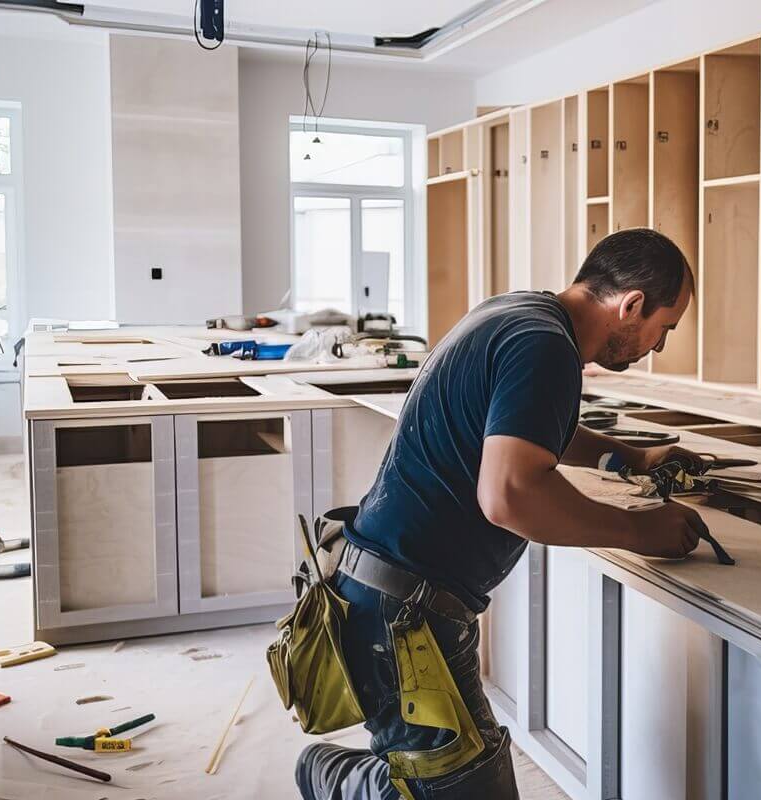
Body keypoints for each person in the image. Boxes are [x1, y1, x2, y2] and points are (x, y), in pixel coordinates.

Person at [297, 228, 710, 800]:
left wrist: (631, 457)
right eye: (663, 330)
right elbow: (510, 495)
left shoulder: (521, 316)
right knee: (456, 790)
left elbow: (528, 426)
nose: (656, 348)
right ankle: (335, 778)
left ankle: (348, 777)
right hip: (404, 613)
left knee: (458, 782)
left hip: (400, 593)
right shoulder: (546, 349)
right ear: (632, 306)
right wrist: (639, 530)